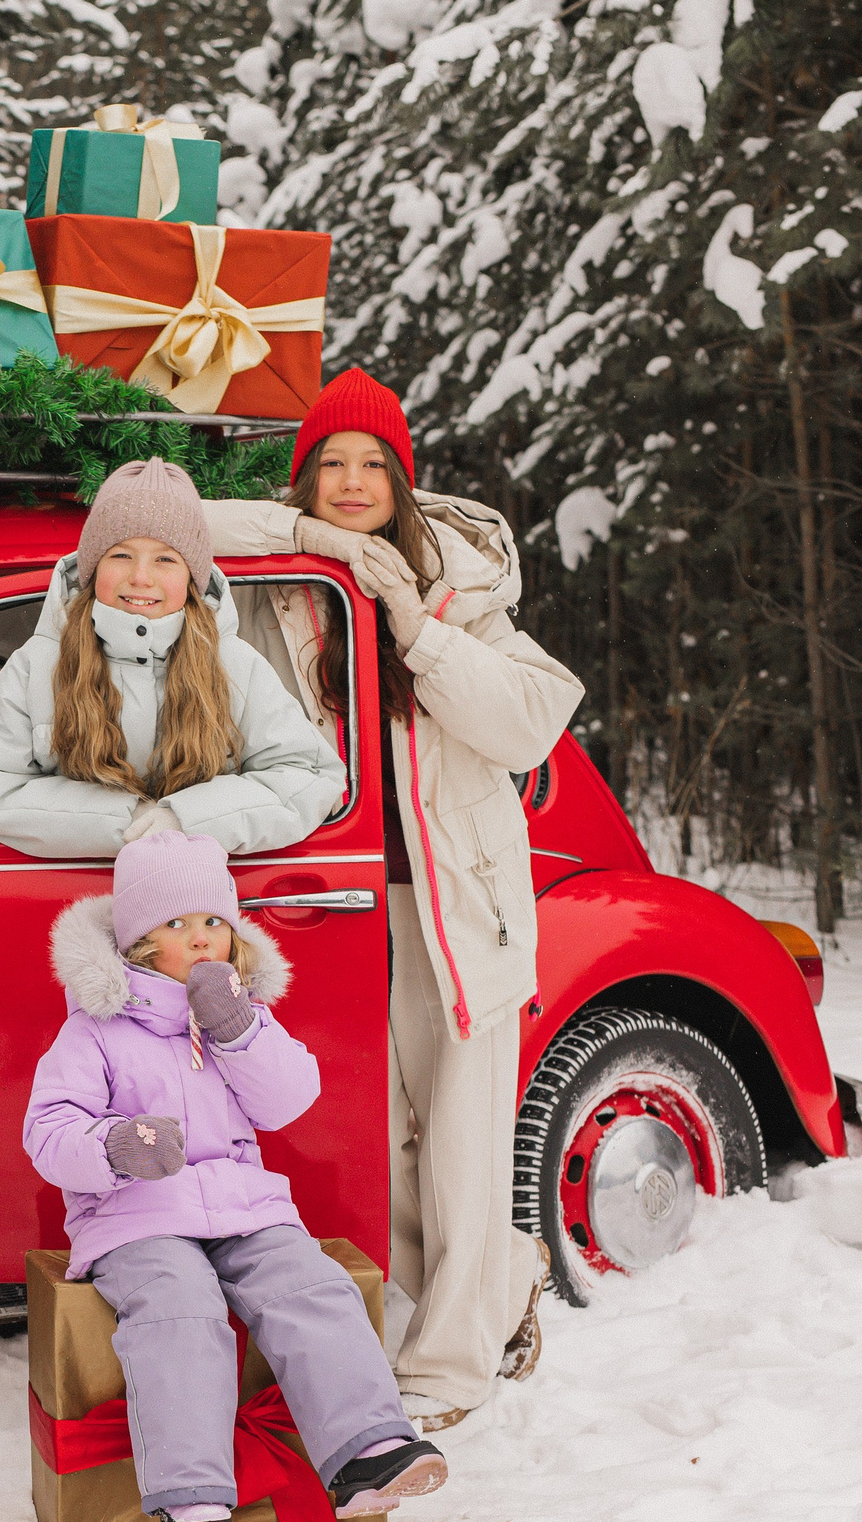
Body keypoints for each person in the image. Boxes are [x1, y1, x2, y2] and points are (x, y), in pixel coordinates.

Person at [201, 370, 586, 1430]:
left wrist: (414, 626)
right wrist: (306, 538)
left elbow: (526, 725)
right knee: (379, 1139)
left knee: (463, 1136)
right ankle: (501, 1279)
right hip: (340, 899)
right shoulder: (285, 581)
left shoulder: (464, 584)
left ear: (402, 479)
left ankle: (449, 1364)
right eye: (330, 463)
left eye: (373, 464)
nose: (352, 481)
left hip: (454, 901)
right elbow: (165, 522)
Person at [24, 831, 447, 1522]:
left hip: (244, 1207)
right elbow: (48, 1130)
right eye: (178, 923)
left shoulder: (240, 1016)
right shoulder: (96, 1030)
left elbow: (288, 1099)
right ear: (138, 941)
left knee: (311, 1285)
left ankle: (368, 1449)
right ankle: (192, 1495)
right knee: (180, 1306)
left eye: (214, 921)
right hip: (137, 1217)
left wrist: (240, 1031)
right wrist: (116, 1146)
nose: (201, 937)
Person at [0, 456, 347, 859]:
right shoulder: (39, 665)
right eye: (121, 555)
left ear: (192, 578)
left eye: (165, 559)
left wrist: (185, 820)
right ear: (92, 568)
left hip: (205, 894)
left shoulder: (234, 665)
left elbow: (309, 776)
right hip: (72, 889)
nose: (141, 577)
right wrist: (127, 820)